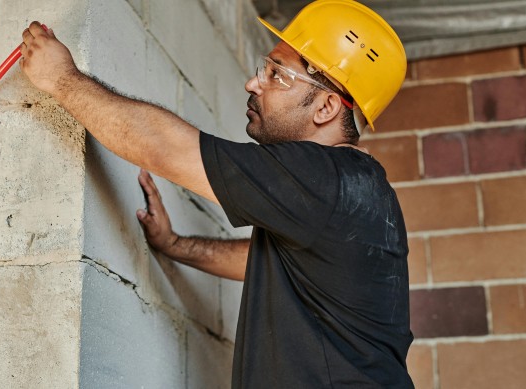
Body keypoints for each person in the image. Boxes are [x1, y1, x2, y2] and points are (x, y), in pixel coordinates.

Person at [20, 0, 413, 387]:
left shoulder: (323, 176)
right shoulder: (357, 191)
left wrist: (61, 79)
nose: (253, 83)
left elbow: (169, 149)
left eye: (278, 75)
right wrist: (176, 245)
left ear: (326, 107)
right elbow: (273, 264)